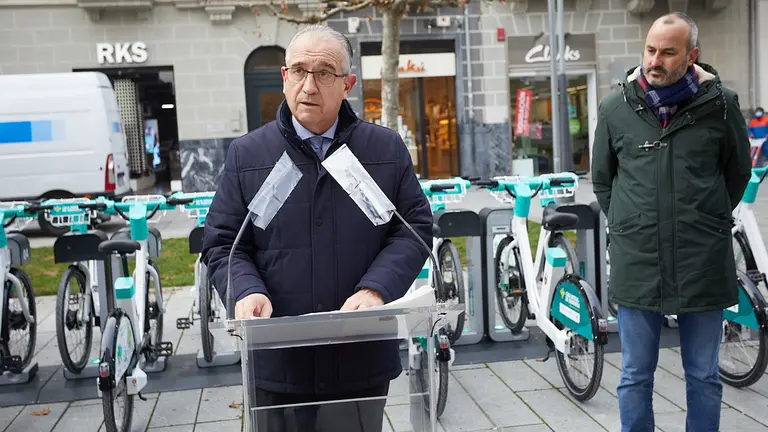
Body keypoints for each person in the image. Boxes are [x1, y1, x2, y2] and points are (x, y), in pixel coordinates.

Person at [201, 25, 433, 431]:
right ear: (284, 77)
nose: (309, 85)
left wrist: (377, 288)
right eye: (299, 71)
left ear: (348, 84)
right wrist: (246, 289)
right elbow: (223, 244)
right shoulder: (248, 154)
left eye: (324, 72)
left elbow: (412, 227)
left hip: (359, 360)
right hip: (277, 362)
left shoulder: (384, 150)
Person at [591, 12, 752, 432]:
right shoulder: (614, 107)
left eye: (667, 52)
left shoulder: (722, 106)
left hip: (702, 259)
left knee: (703, 375)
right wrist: (629, 223)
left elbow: (737, 175)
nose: (654, 61)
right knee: (634, 376)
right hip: (638, 260)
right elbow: (603, 180)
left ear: (691, 55)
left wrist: (706, 218)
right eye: (650, 49)